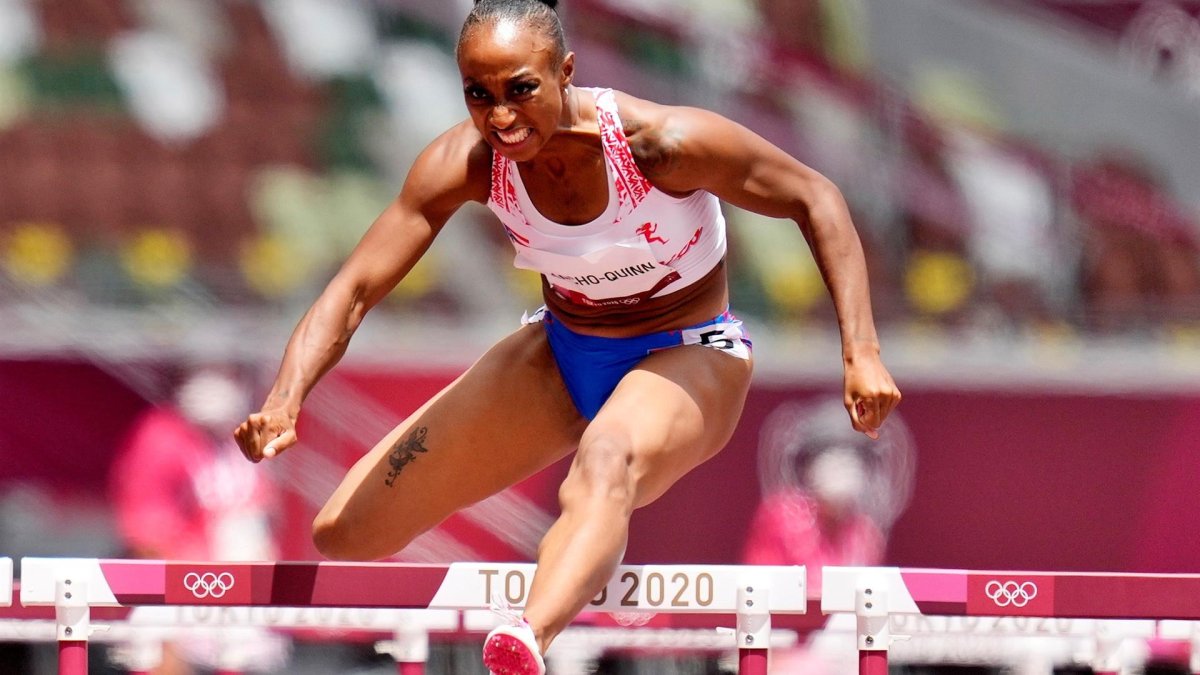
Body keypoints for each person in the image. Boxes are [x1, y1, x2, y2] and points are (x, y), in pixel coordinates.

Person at [233, 1, 902, 673]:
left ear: (566, 72)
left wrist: (862, 353)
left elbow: (816, 197)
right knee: (346, 530)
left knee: (606, 459)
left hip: (689, 352)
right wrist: (286, 398)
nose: (501, 117)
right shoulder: (466, 161)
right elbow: (352, 290)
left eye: (521, 89)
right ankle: (531, 622)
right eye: (478, 94)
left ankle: (527, 639)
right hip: (563, 349)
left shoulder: (658, 144)